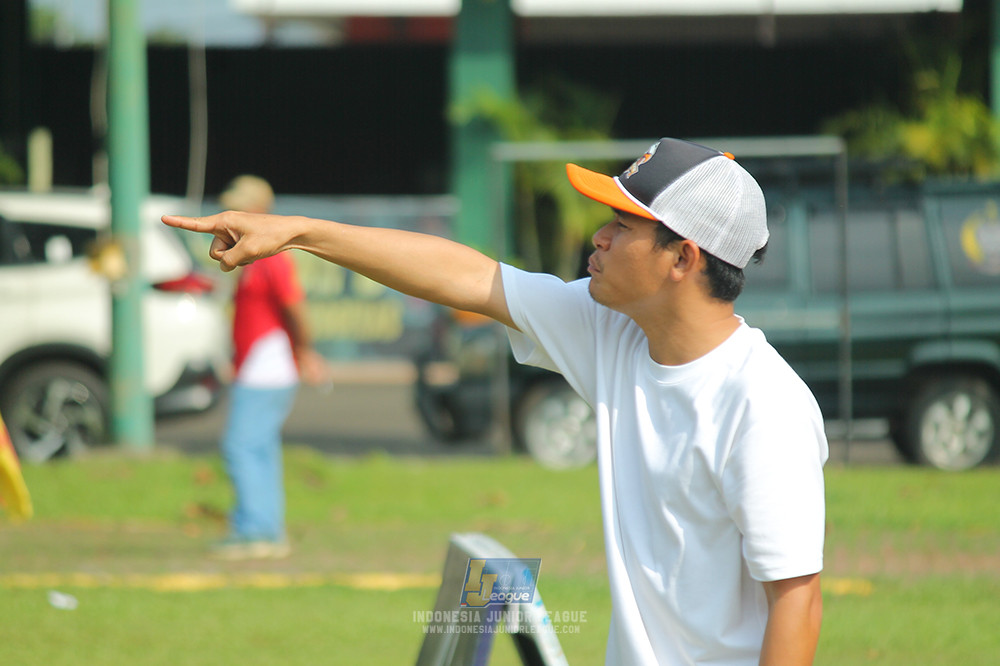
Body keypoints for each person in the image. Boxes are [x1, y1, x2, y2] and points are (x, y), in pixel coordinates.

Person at [164, 138, 827, 664]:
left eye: (621, 226)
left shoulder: (763, 407)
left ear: (681, 260)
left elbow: (797, 605)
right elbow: (468, 277)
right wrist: (299, 231)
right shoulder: (615, 332)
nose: (598, 237)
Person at [210, 175, 330, 560]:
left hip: (267, 364)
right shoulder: (254, 257)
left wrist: (306, 350)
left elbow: (295, 305)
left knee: (240, 445)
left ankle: (254, 532)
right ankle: (266, 529)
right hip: (260, 362)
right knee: (259, 447)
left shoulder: (272, 255)